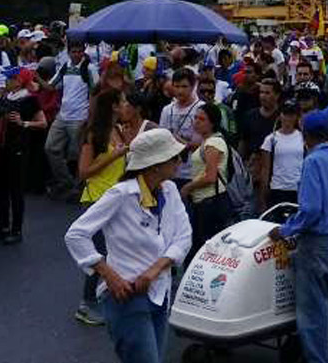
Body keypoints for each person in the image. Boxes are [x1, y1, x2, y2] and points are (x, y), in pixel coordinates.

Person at [65, 128, 193, 363]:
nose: (179, 162)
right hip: (126, 297)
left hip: (160, 293)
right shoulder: (121, 194)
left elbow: (184, 236)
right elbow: (76, 235)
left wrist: (155, 269)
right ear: (155, 164)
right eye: (174, 157)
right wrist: (109, 276)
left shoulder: (170, 190)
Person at [268, 110, 328, 363]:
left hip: (315, 243)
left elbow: (311, 210)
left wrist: (285, 230)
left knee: (313, 310)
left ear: (307, 135)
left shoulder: (313, 162)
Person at [73, 89, 145, 327]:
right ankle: (86, 303)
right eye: (123, 101)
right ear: (113, 106)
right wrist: (115, 155)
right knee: (99, 254)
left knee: (116, 248)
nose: (126, 106)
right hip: (97, 199)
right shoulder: (95, 133)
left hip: (117, 198)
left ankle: (109, 293)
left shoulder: (117, 131)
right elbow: (84, 171)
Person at [0, 67, 47, 244]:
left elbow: (43, 123)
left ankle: (16, 229)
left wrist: (24, 123)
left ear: (20, 80)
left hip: (17, 148)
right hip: (0, 147)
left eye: (12, 78)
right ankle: (3, 225)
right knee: (1, 189)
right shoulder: (4, 98)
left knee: (15, 190)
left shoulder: (29, 100)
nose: (8, 81)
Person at [46, 39, 99, 201]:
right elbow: (52, 86)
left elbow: (95, 92)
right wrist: (35, 78)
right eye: (73, 51)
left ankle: (78, 186)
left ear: (83, 52)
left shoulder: (89, 69)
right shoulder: (65, 66)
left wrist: (90, 116)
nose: (76, 54)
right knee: (50, 148)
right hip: (63, 115)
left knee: (76, 154)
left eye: (79, 51)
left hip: (79, 117)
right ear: (69, 52)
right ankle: (67, 182)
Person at [180, 103, 230, 258]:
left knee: (205, 248)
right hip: (203, 201)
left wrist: (188, 187)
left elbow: (210, 176)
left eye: (201, 119)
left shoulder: (213, 143)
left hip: (210, 202)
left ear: (212, 122)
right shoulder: (206, 142)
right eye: (195, 117)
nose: (196, 121)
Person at [259, 99, 304, 210]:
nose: (288, 118)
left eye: (292, 115)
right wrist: (262, 196)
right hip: (277, 189)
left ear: (297, 117)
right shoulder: (271, 139)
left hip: (299, 189)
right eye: (285, 114)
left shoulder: (304, 138)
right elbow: (265, 168)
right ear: (280, 115)